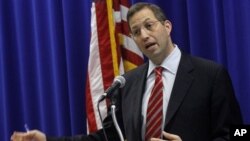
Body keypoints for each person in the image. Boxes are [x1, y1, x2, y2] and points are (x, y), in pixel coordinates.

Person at [11, 2, 242, 141]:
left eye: (149, 26)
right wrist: (48, 140)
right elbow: (106, 138)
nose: (143, 35)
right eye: (136, 32)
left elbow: (238, 134)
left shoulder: (210, 75)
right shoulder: (127, 83)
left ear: (167, 26)